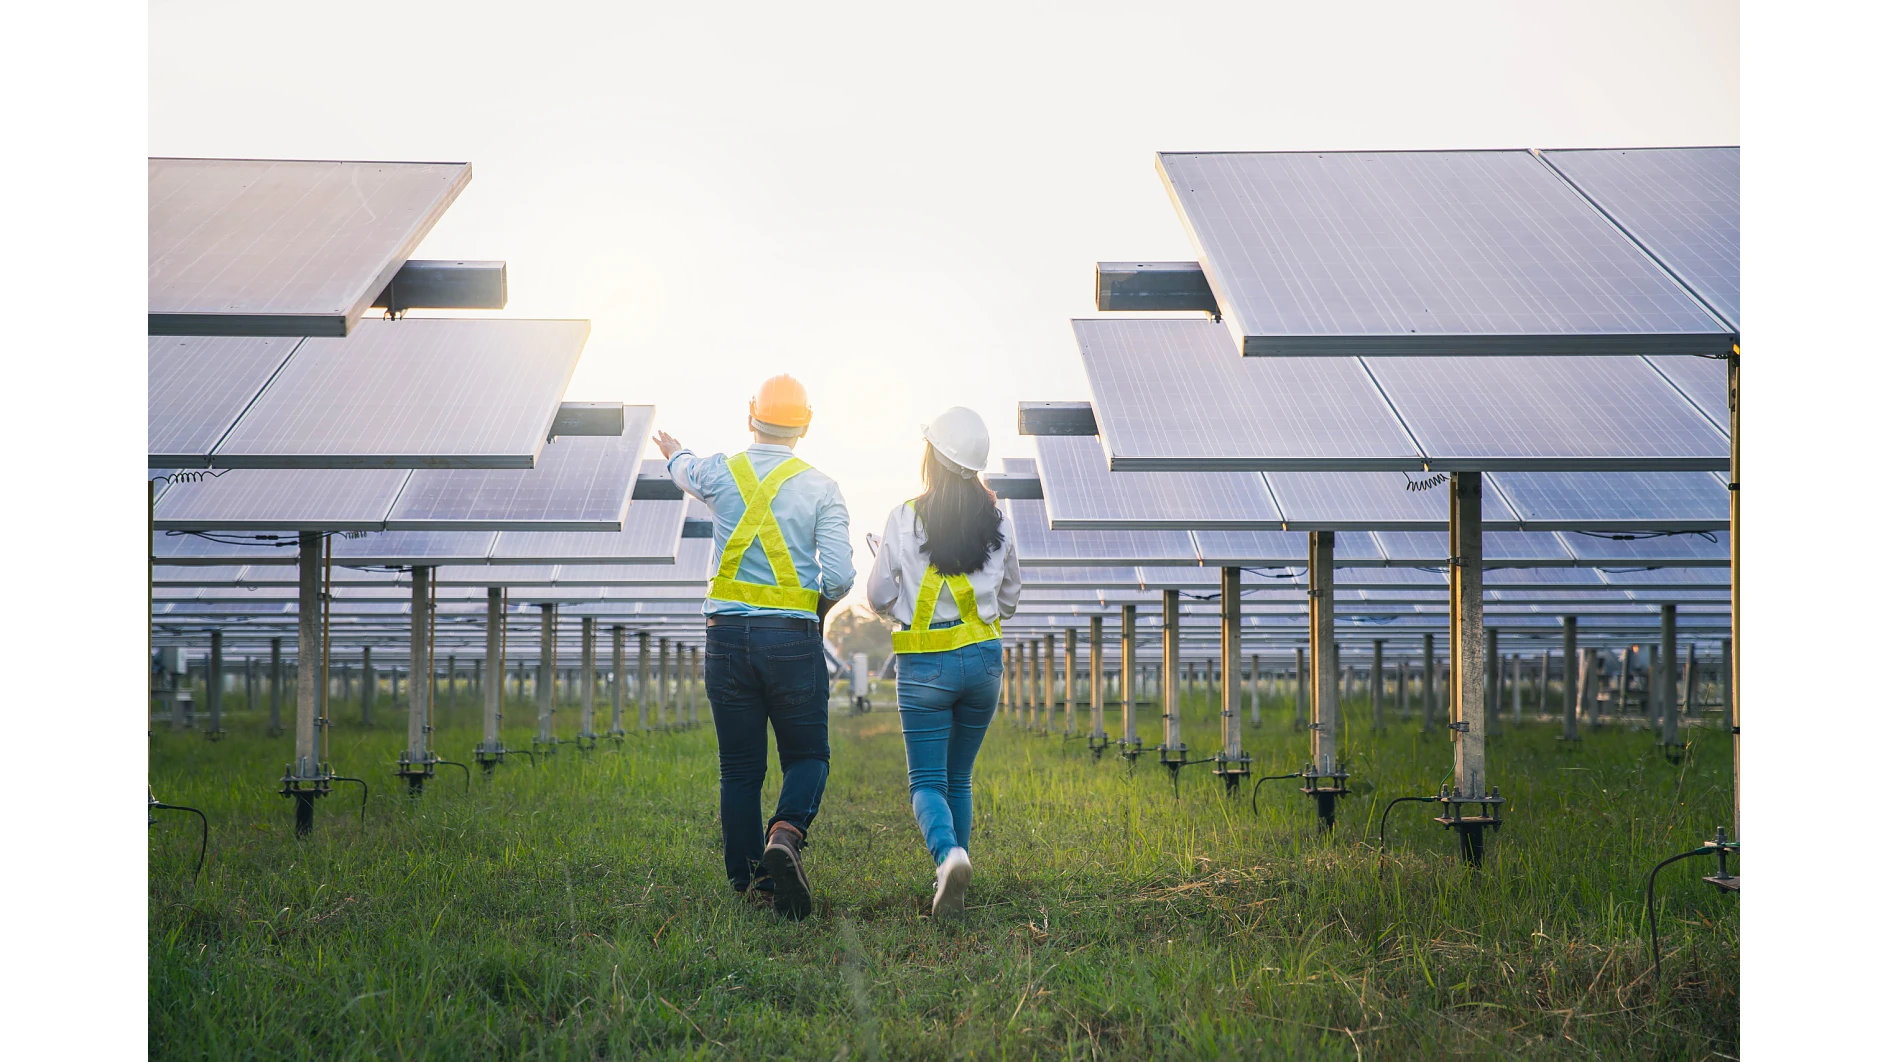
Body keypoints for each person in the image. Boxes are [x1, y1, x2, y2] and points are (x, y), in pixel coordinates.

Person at [654, 374, 853, 920]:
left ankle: (751, 885)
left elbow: (685, 471)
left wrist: (676, 452)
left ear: (750, 416)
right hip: (791, 639)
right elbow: (838, 576)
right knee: (808, 755)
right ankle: (785, 836)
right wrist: (808, 614)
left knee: (739, 770)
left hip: (725, 641)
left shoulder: (721, 471)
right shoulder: (822, 487)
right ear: (805, 425)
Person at [865, 407, 1020, 917]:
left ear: (931, 456)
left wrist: (902, 601)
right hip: (984, 663)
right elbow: (1011, 598)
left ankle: (949, 857)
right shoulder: (1000, 518)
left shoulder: (904, 516)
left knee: (927, 783)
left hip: (926, 667)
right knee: (960, 778)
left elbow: (878, 594)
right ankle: (958, 874)